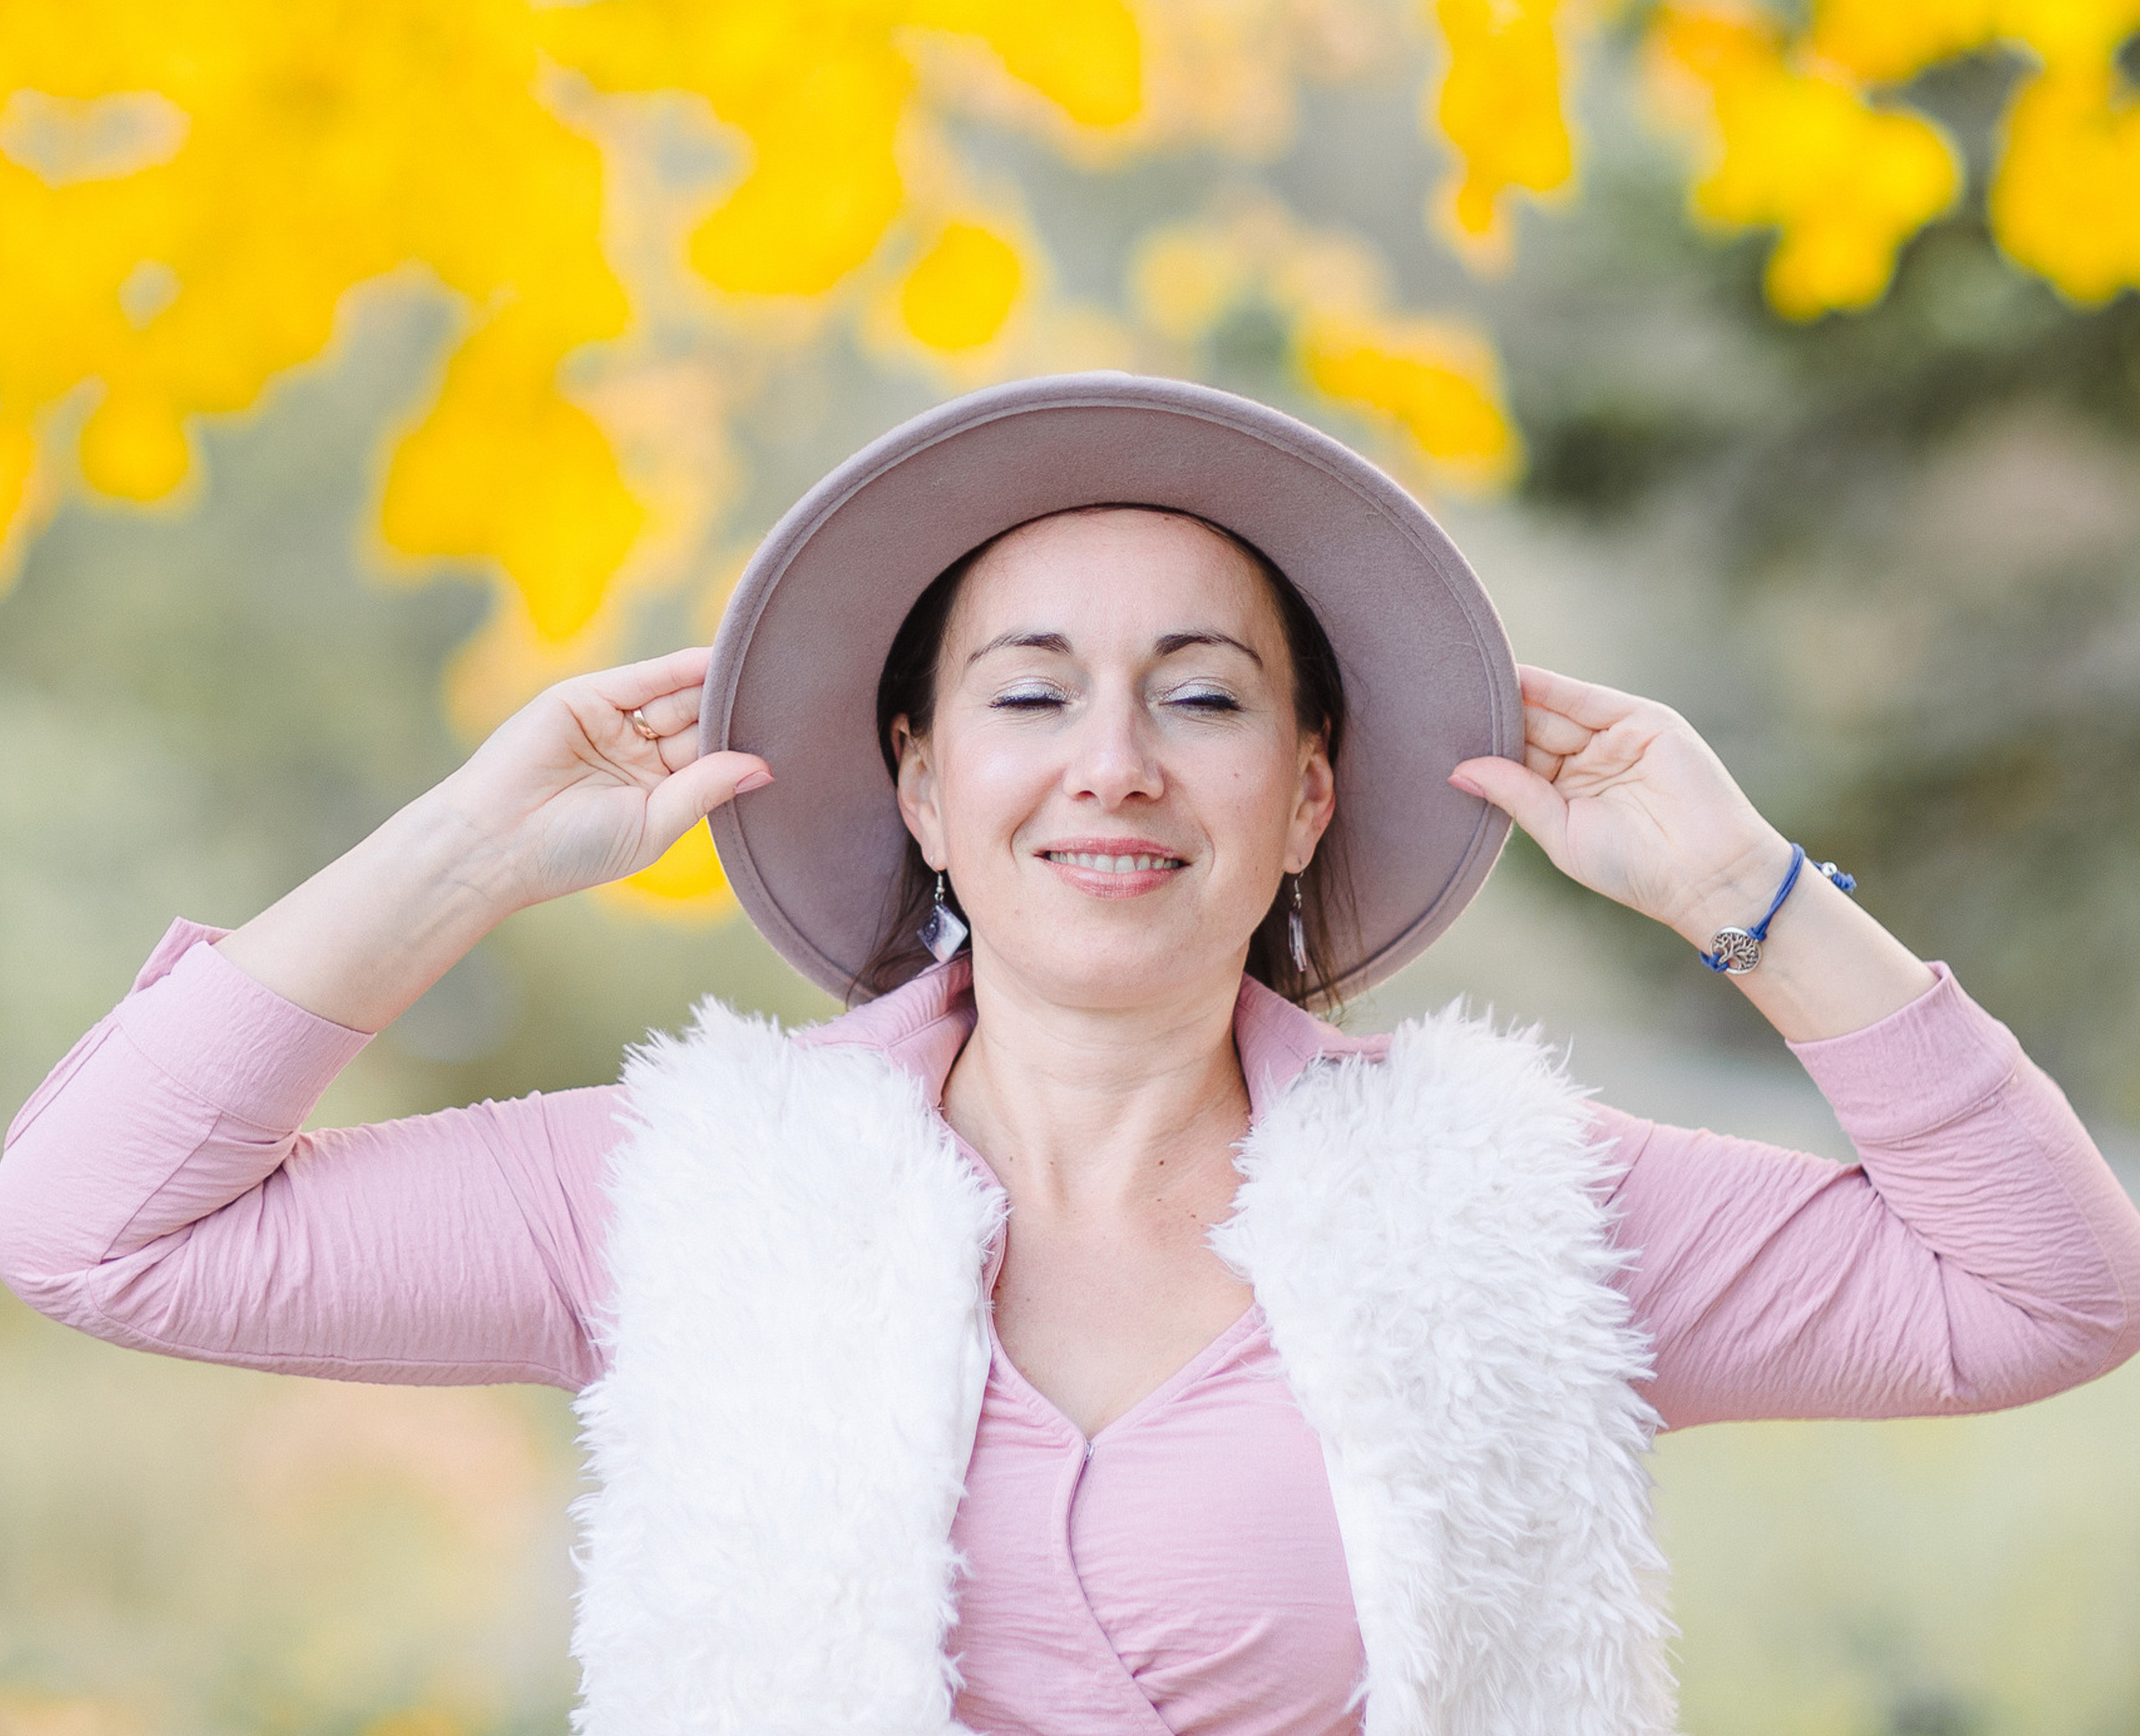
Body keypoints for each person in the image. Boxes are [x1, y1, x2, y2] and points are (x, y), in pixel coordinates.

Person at [2, 373, 2136, 1736]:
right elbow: (88, 1228)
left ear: (1304, 793)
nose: (1111, 761)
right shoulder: (685, 1187)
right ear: (921, 782)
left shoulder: (1514, 1209)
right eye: (1028, 694)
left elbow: (2048, 1289)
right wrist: (464, 851)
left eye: (1200, 696)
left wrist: (1746, 889)